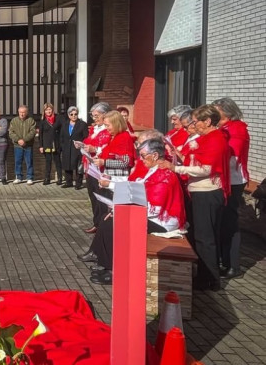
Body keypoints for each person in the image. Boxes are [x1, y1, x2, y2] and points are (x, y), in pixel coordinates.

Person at [82, 139, 185, 285]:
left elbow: (154, 208)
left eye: (143, 155)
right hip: (150, 215)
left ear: (155, 155)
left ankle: (115, 271)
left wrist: (124, 211)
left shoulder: (164, 175)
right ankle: (106, 263)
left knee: (114, 226)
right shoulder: (153, 170)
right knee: (106, 220)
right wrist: (112, 183)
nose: (141, 159)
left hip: (162, 221)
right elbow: (136, 185)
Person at [158, 104, 230, 291]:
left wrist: (175, 168)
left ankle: (210, 279)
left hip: (208, 192)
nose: (194, 125)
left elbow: (205, 169)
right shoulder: (208, 138)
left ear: (208, 121)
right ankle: (204, 274)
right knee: (200, 235)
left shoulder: (216, 139)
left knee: (205, 238)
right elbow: (196, 161)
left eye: (196, 121)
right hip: (199, 191)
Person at [213, 97, 250, 280]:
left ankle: (233, 265)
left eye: (216, 111)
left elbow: (231, 152)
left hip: (234, 180)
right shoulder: (222, 127)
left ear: (226, 112)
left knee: (230, 222)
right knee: (222, 222)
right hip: (223, 179)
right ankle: (223, 259)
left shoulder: (237, 128)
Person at [87, 110, 135, 226]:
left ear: (116, 124)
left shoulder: (124, 138)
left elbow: (126, 162)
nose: (106, 128)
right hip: (108, 177)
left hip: (117, 180)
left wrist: (104, 162)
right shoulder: (113, 137)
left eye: (108, 125)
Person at [81, 102, 112, 233]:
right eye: (93, 116)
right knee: (93, 196)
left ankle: (102, 225)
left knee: (101, 198)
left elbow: (108, 147)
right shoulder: (94, 129)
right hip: (91, 166)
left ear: (104, 115)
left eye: (97, 115)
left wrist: (95, 148)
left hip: (101, 168)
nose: (94, 118)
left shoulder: (108, 130)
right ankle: (96, 223)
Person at [58, 106, 88, 189]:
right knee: (67, 165)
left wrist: (81, 145)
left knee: (78, 166)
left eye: (75, 114)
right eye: (71, 114)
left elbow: (86, 137)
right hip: (67, 148)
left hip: (77, 148)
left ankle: (78, 183)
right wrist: (62, 146)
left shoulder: (82, 124)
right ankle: (69, 182)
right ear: (68, 115)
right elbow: (62, 136)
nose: (73, 116)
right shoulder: (65, 124)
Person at [8, 105, 36, 184]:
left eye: (23, 112)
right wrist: (18, 140)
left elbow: (32, 132)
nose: (22, 114)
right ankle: (18, 176)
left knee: (29, 161)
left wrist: (25, 140)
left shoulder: (31, 120)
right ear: (18, 112)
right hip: (17, 145)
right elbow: (11, 132)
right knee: (18, 161)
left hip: (28, 145)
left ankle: (30, 177)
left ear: (27, 112)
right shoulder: (14, 121)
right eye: (20, 112)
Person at [38, 102, 62, 185]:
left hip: (56, 143)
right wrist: (41, 146)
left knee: (57, 161)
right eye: (46, 110)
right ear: (44, 111)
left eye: (50, 109)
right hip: (46, 144)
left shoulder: (58, 118)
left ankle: (59, 178)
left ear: (52, 110)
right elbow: (40, 134)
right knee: (48, 162)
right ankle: (47, 178)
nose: (48, 111)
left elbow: (62, 131)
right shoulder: (42, 121)